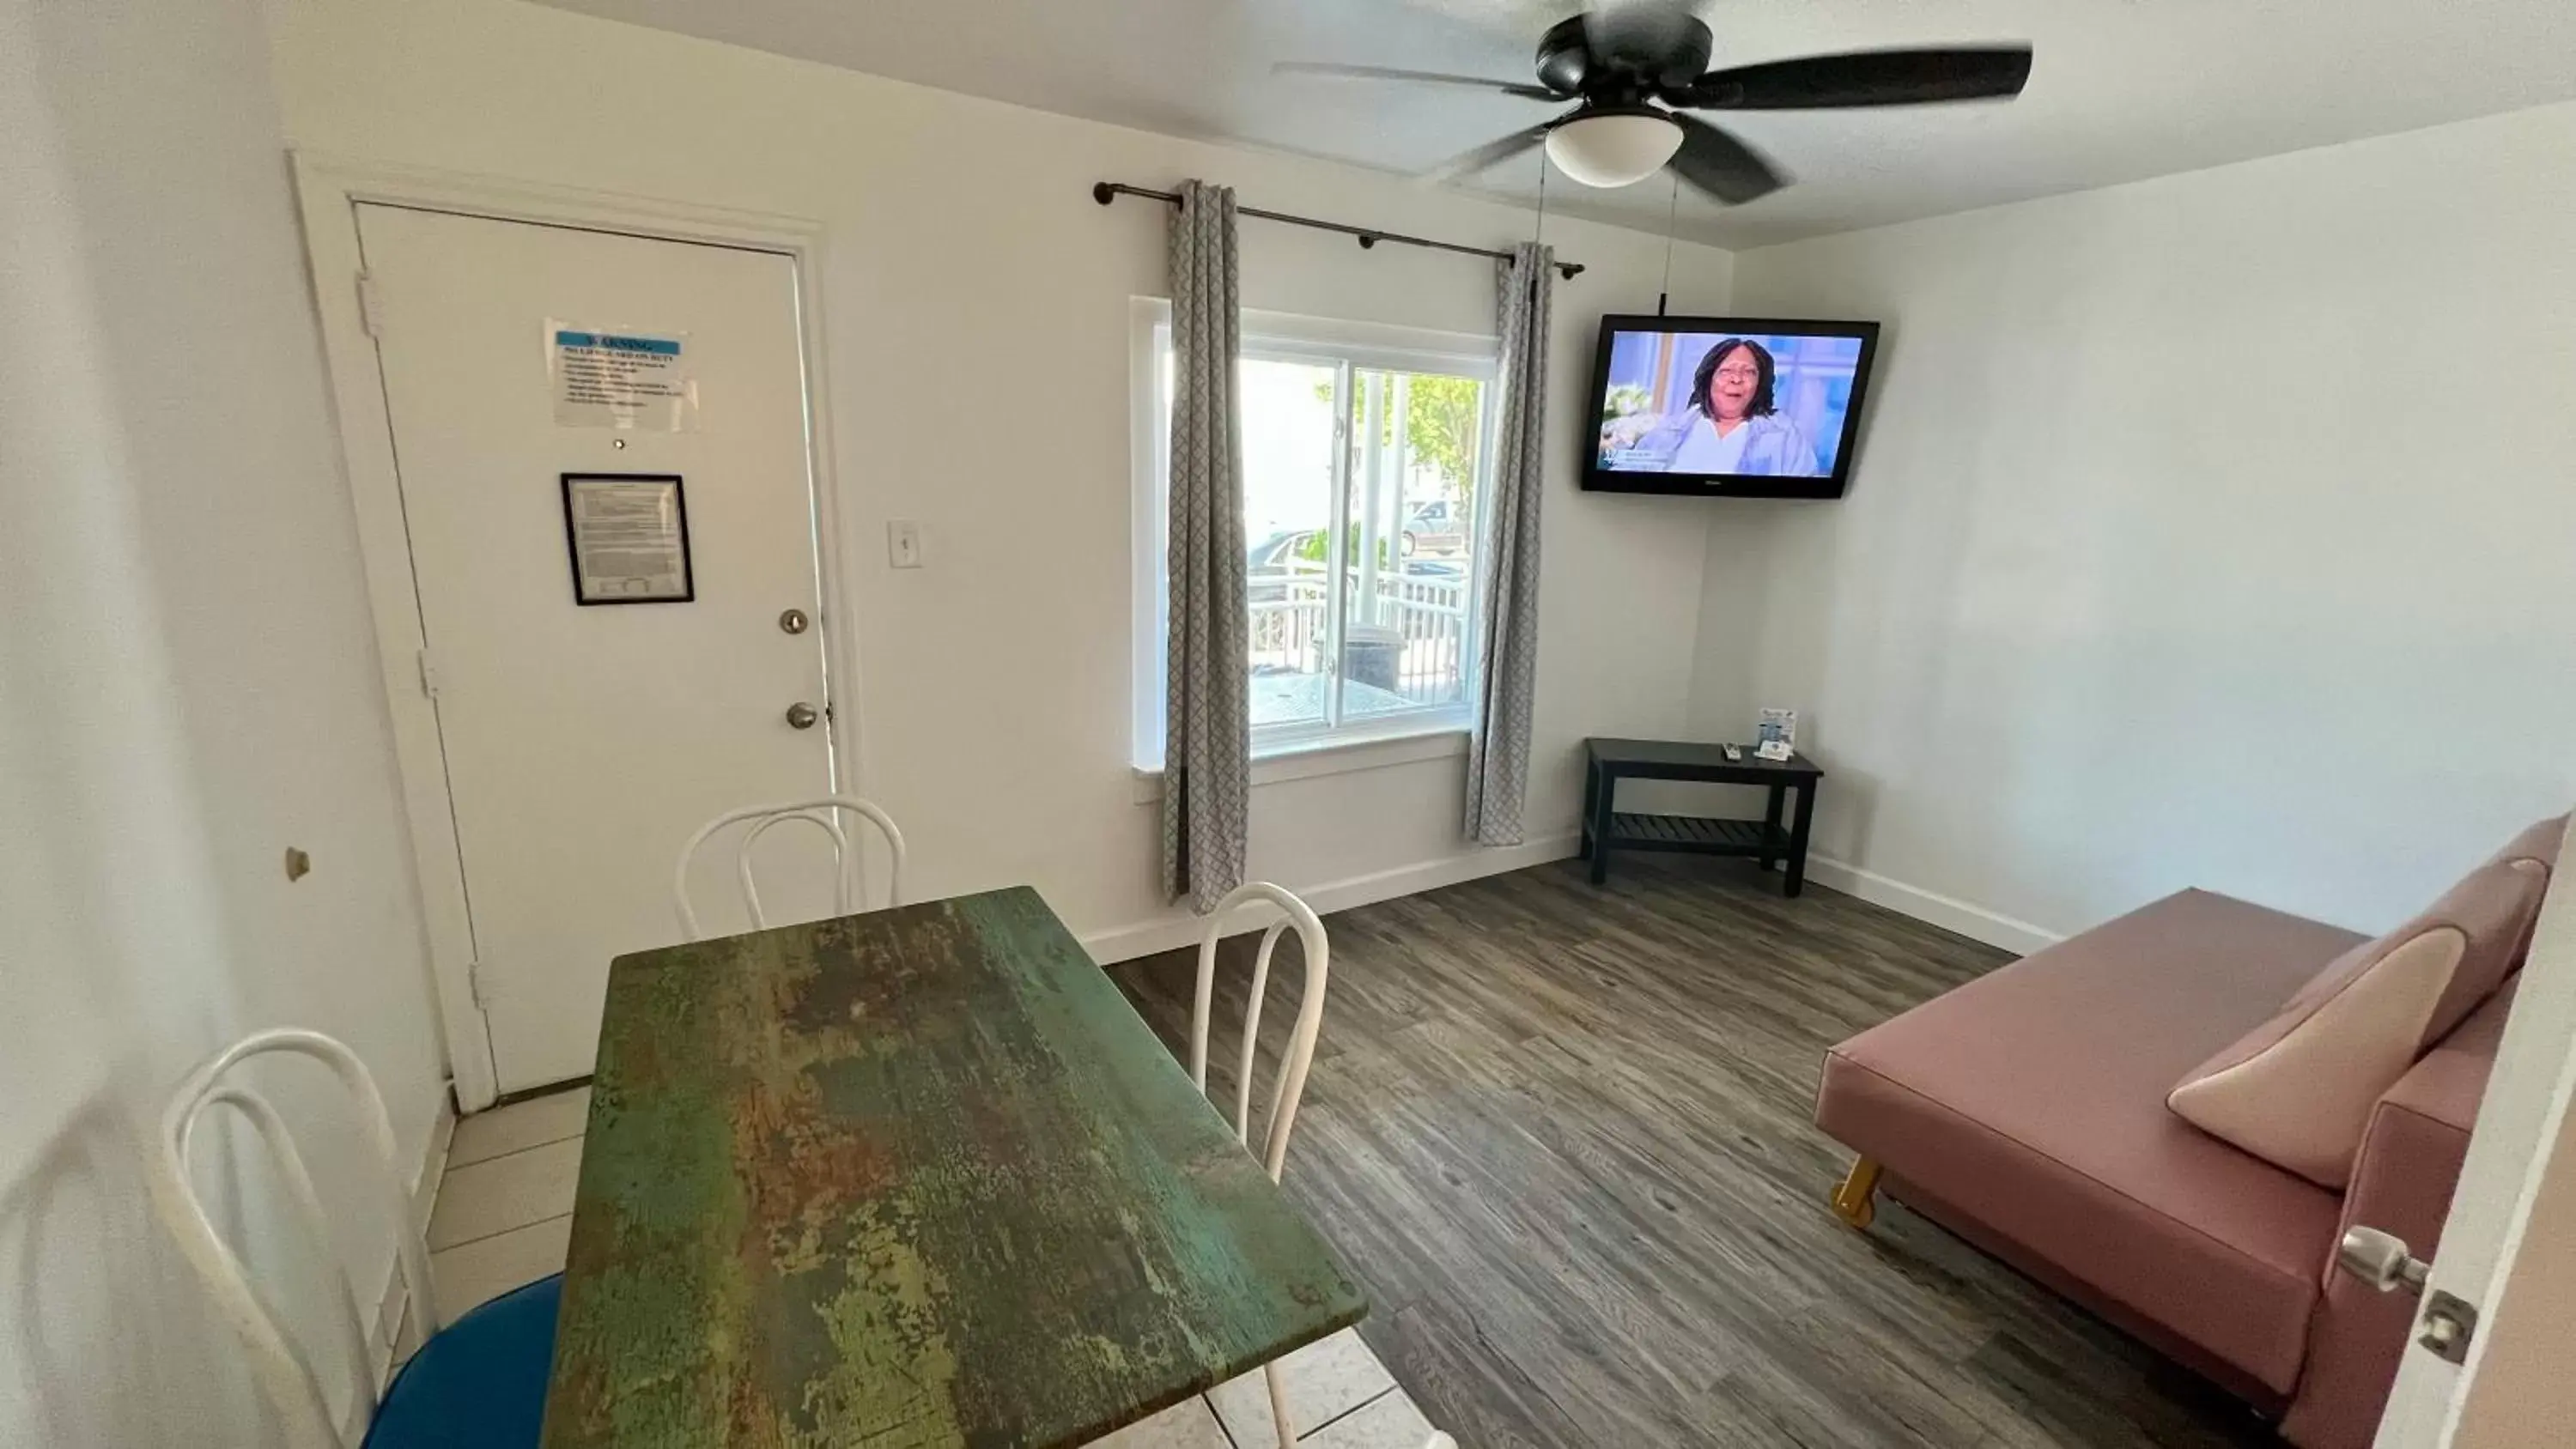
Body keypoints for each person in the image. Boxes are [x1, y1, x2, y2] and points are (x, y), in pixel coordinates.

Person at [1662, 338, 1821, 477]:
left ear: (1761, 383)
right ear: (1709, 378)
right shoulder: (1670, 430)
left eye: (1748, 372)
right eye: (1726, 371)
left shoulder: (1786, 436)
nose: (1737, 379)